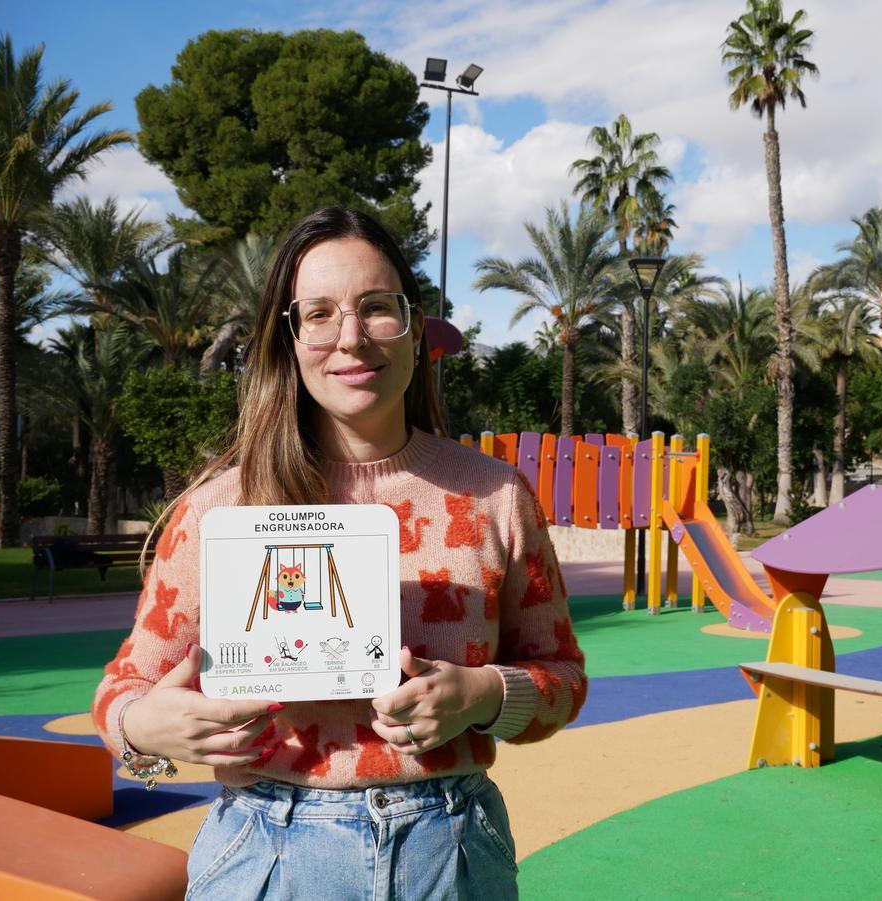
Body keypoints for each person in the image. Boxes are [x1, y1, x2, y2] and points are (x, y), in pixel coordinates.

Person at [91, 207, 588, 900]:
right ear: (288, 339)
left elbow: (563, 678)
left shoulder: (495, 495)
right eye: (318, 313)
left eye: (377, 308)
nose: (350, 337)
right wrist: (146, 725)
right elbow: (121, 691)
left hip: (449, 852)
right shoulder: (219, 507)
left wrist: (481, 694)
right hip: (264, 848)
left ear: (414, 329)